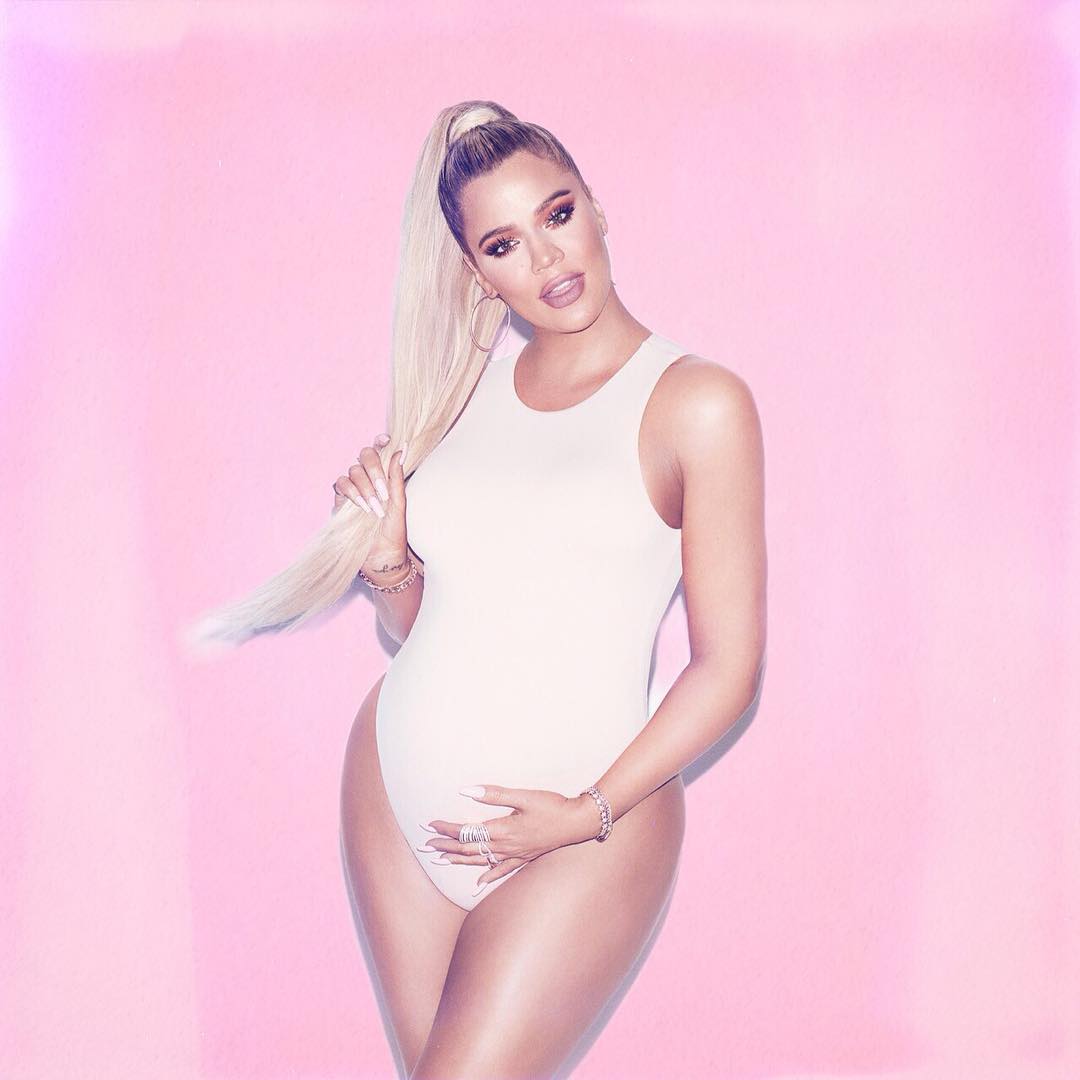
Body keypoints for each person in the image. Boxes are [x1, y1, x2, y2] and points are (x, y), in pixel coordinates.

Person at [333, 101, 768, 1079]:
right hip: (397, 799)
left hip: (590, 822)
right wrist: (389, 562)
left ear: (595, 208)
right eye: (503, 244)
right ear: (477, 272)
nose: (546, 257)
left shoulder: (697, 403)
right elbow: (428, 629)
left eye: (557, 214)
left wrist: (587, 811)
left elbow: (728, 669)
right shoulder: (458, 402)